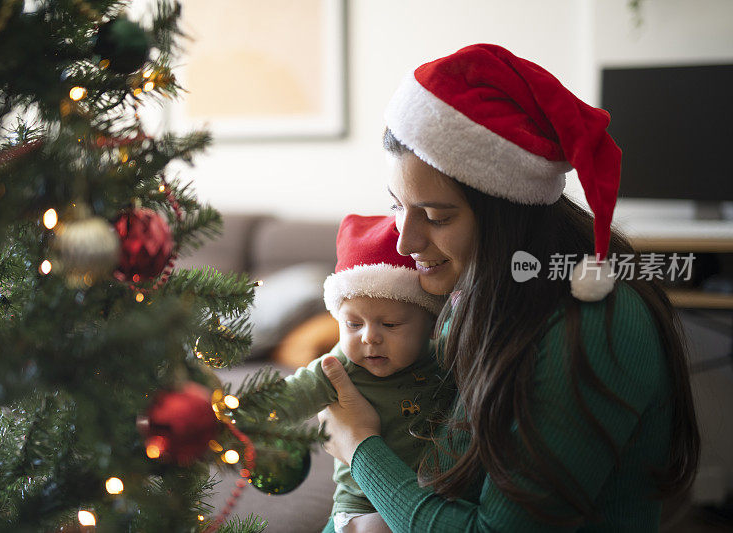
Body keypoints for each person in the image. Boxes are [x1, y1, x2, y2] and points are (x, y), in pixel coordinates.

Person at [316, 43, 700, 532]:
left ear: (506, 214)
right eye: (397, 205)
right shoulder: (474, 292)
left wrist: (357, 446)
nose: (405, 239)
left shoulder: (589, 324)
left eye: (435, 216)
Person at [251, 214, 452, 533]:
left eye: (390, 325)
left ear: (430, 325)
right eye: (353, 324)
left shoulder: (444, 357)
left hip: (427, 502)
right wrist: (237, 415)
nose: (369, 338)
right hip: (359, 507)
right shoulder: (338, 365)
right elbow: (290, 396)